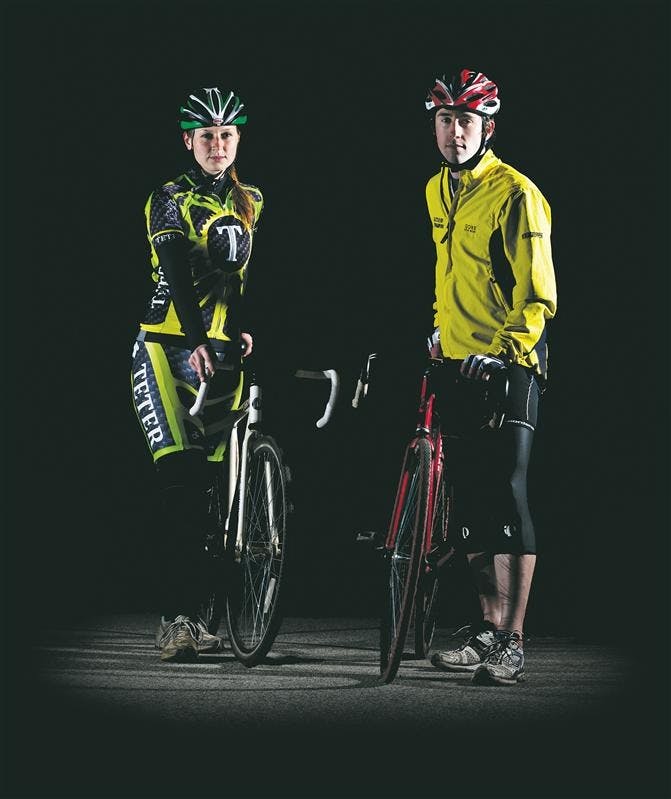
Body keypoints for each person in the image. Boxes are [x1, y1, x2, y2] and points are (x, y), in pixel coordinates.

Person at [423, 69, 557, 685]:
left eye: (467, 122)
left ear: (488, 127)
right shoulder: (436, 189)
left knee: (507, 490)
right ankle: (484, 627)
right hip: (454, 361)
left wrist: (506, 350)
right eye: (447, 120)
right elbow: (450, 273)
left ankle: (514, 638)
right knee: (471, 500)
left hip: (509, 364)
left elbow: (538, 295)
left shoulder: (516, 193)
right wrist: (439, 328)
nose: (456, 133)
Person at [130, 86, 263, 661]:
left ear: (238, 141)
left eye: (226, 135)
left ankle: (200, 617)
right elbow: (181, 278)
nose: (217, 145)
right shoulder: (166, 198)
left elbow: (236, 283)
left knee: (213, 494)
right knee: (180, 482)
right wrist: (194, 339)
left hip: (219, 351)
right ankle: (173, 618)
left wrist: (237, 330)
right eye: (205, 135)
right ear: (188, 141)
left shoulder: (251, 198)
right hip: (167, 347)